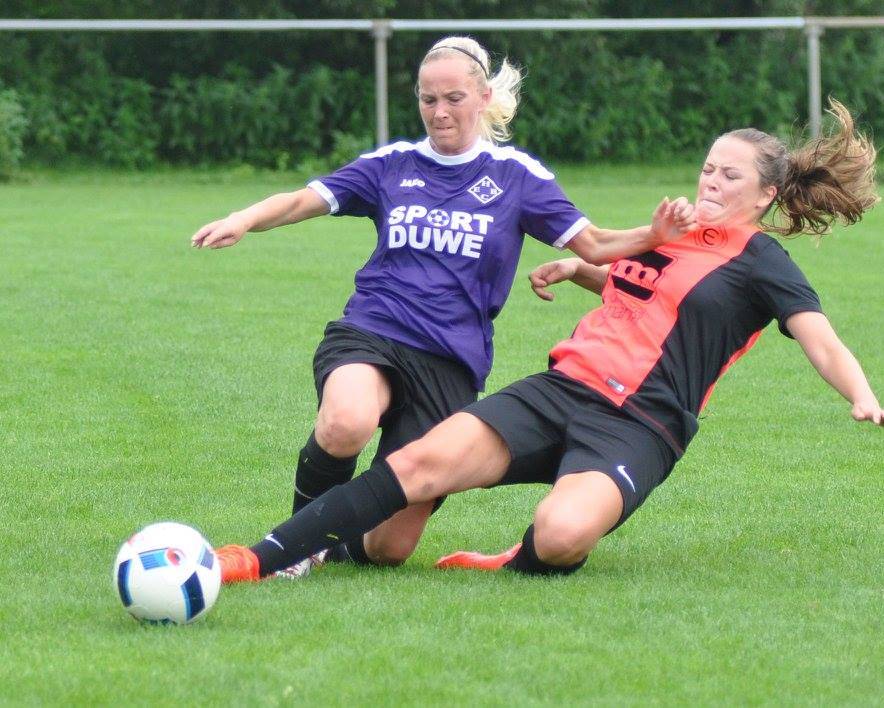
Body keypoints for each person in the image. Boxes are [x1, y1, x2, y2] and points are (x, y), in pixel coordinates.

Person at [215, 98, 884, 582]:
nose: (712, 181)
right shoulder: (672, 232)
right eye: (708, 168)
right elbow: (637, 290)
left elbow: (819, 339)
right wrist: (579, 270)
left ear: (765, 195)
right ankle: (259, 558)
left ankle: (515, 560)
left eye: (731, 175)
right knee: (419, 465)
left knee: (561, 534)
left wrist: (861, 394)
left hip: (642, 425)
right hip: (561, 389)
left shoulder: (761, 260)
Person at [191, 36, 694, 575]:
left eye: (453, 98)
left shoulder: (517, 176)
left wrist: (653, 235)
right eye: (428, 100)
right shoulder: (391, 165)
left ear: (483, 98)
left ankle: (335, 542)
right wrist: (243, 219)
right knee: (346, 421)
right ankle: (296, 549)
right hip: (375, 329)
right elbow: (300, 200)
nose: (439, 112)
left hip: (451, 361)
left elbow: (593, 244)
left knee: (389, 549)